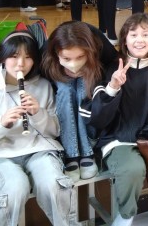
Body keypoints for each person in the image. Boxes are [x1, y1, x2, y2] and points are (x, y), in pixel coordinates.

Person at [83, 13, 148, 226]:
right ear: (124, 40)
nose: (139, 40)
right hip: (119, 139)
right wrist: (113, 88)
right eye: (133, 34)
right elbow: (96, 119)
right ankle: (125, 216)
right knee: (131, 168)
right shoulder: (109, 70)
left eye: (145, 34)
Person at [0, 31, 77, 226]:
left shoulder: (43, 86)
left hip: (39, 150)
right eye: (14, 56)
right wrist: (0, 125)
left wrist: (38, 114)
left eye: (28, 57)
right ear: (3, 58)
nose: (21, 64)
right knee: (14, 187)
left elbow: (55, 131)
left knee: (54, 184)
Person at [42, 20, 117, 181]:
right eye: (66, 58)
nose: (73, 64)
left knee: (84, 88)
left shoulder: (97, 40)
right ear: (56, 54)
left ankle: (87, 151)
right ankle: (71, 153)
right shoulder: (46, 51)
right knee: (64, 89)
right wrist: (62, 73)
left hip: (91, 77)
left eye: (80, 57)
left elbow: (114, 62)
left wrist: (91, 70)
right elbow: (39, 76)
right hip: (61, 85)